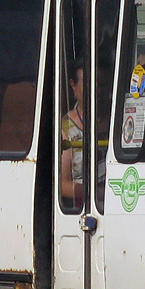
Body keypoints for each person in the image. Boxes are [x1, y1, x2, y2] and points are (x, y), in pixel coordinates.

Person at [60, 61, 85, 210]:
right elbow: (62, 184)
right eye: (88, 84)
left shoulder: (121, 120)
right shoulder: (66, 129)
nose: (97, 91)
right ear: (73, 86)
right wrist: (100, 194)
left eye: (102, 84)